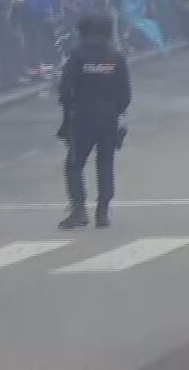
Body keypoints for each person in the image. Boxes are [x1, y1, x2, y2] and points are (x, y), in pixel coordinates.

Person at [57, 13, 131, 230]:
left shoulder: (77, 56)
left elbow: (65, 89)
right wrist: (118, 111)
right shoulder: (116, 57)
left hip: (82, 116)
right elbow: (125, 92)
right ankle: (103, 213)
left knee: (74, 164)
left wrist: (68, 109)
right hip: (109, 117)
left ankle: (79, 210)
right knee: (105, 163)